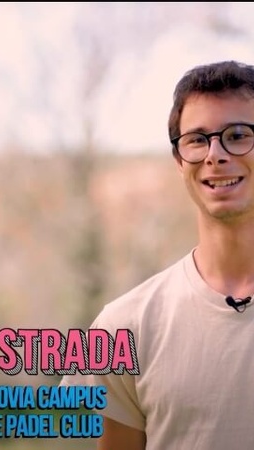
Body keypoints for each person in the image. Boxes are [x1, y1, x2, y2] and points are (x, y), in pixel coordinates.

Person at [60, 60, 254, 449]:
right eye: (198, 140)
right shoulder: (124, 327)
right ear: (179, 161)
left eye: (237, 134)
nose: (215, 154)